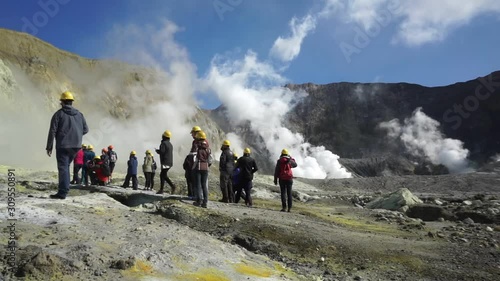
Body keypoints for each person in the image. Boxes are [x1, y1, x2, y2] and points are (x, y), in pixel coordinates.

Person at [46, 91, 88, 199]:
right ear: (71, 102)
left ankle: (62, 192)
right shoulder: (80, 114)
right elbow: (86, 129)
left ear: (63, 102)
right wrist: (76, 135)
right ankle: (65, 188)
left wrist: (49, 146)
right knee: (67, 166)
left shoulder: (58, 114)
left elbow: (52, 131)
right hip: (76, 147)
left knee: (63, 167)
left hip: (63, 146)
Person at [193, 131, 212, 208]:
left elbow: (196, 159)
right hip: (206, 168)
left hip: (199, 167)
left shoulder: (199, 149)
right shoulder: (208, 149)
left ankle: (199, 200)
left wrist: (193, 167)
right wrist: (207, 165)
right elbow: (210, 159)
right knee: (204, 185)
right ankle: (205, 202)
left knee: (198, 184)